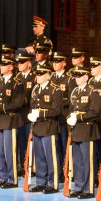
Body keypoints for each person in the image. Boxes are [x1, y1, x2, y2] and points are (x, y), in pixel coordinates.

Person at [65, 65, 101, 198]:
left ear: (86, 78)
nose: (76, 78)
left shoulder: (93, 91)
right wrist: (70, 117)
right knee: (78, 161)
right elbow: (71, 110)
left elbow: (95, 112)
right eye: (75, 76)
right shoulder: (75, 92)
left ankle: (89, 189)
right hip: (76, 131)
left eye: (79, 76)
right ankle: (79, 186)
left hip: (88, 131)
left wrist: (79, 117)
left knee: (88, 161)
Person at [0, 55, 26, 188]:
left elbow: (18, 103)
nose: (1, 67)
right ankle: (2, 176)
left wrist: (1, 107)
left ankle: (12, 179)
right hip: (0, 119)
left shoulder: (17, 83)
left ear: (11, 67)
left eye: (4, 65)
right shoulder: (0, 81)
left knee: (9, 151)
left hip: (11, 119)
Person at [28, 63, 63, 193]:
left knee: (51, 157)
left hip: (49, 127)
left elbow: (56, 111)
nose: (38, 76)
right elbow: (33, 105)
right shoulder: (36, 89)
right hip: (37, 127)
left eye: (41, 74)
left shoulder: (55, 90)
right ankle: (41, 182)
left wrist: (40, 114)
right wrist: (33, 114)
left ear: (48, 75)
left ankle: (53, 183)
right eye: (37, 74)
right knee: (40, 156)